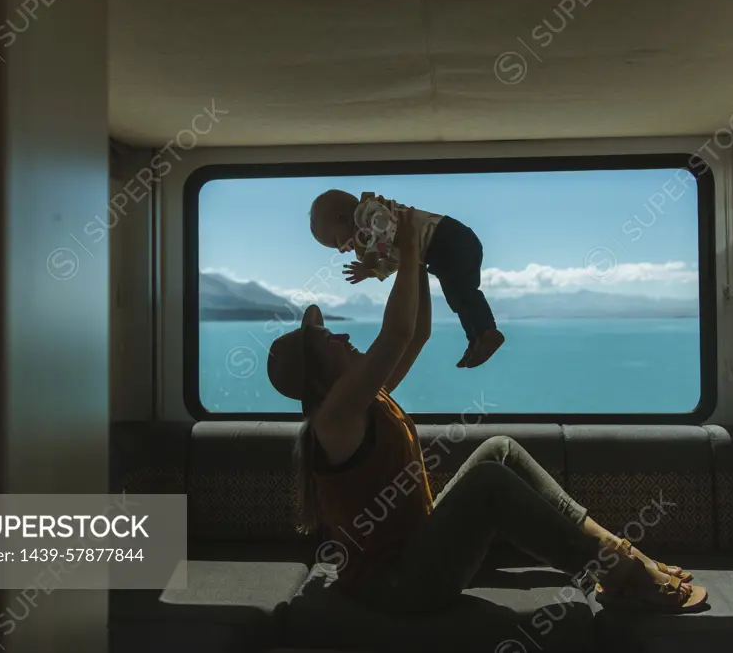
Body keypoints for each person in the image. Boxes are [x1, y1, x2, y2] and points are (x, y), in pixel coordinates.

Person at [267, 207, 707, 614]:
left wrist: (414, 260)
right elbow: (396, 333)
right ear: (319, 376)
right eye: (328, 341)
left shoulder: (362, 400)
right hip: (399, 583)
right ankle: (618, 574)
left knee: (500, 449)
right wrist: (410, 243)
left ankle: (615, 548)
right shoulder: (334, 418)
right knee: (489, 483)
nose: (341, 338)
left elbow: (416, 334)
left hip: (418, 546)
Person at [309, 188, 504, 368]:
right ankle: (477, 339)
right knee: (456, 296)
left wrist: (372, 257)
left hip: (450, 239)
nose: (343, 250)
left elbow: (385, 224)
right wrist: (373, 270)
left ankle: (487, 332)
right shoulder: (370, 236)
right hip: (440, 251)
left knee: (463, 291)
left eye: (337, 242)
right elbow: (397, 258)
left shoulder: (368, 211)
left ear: (342, 219)